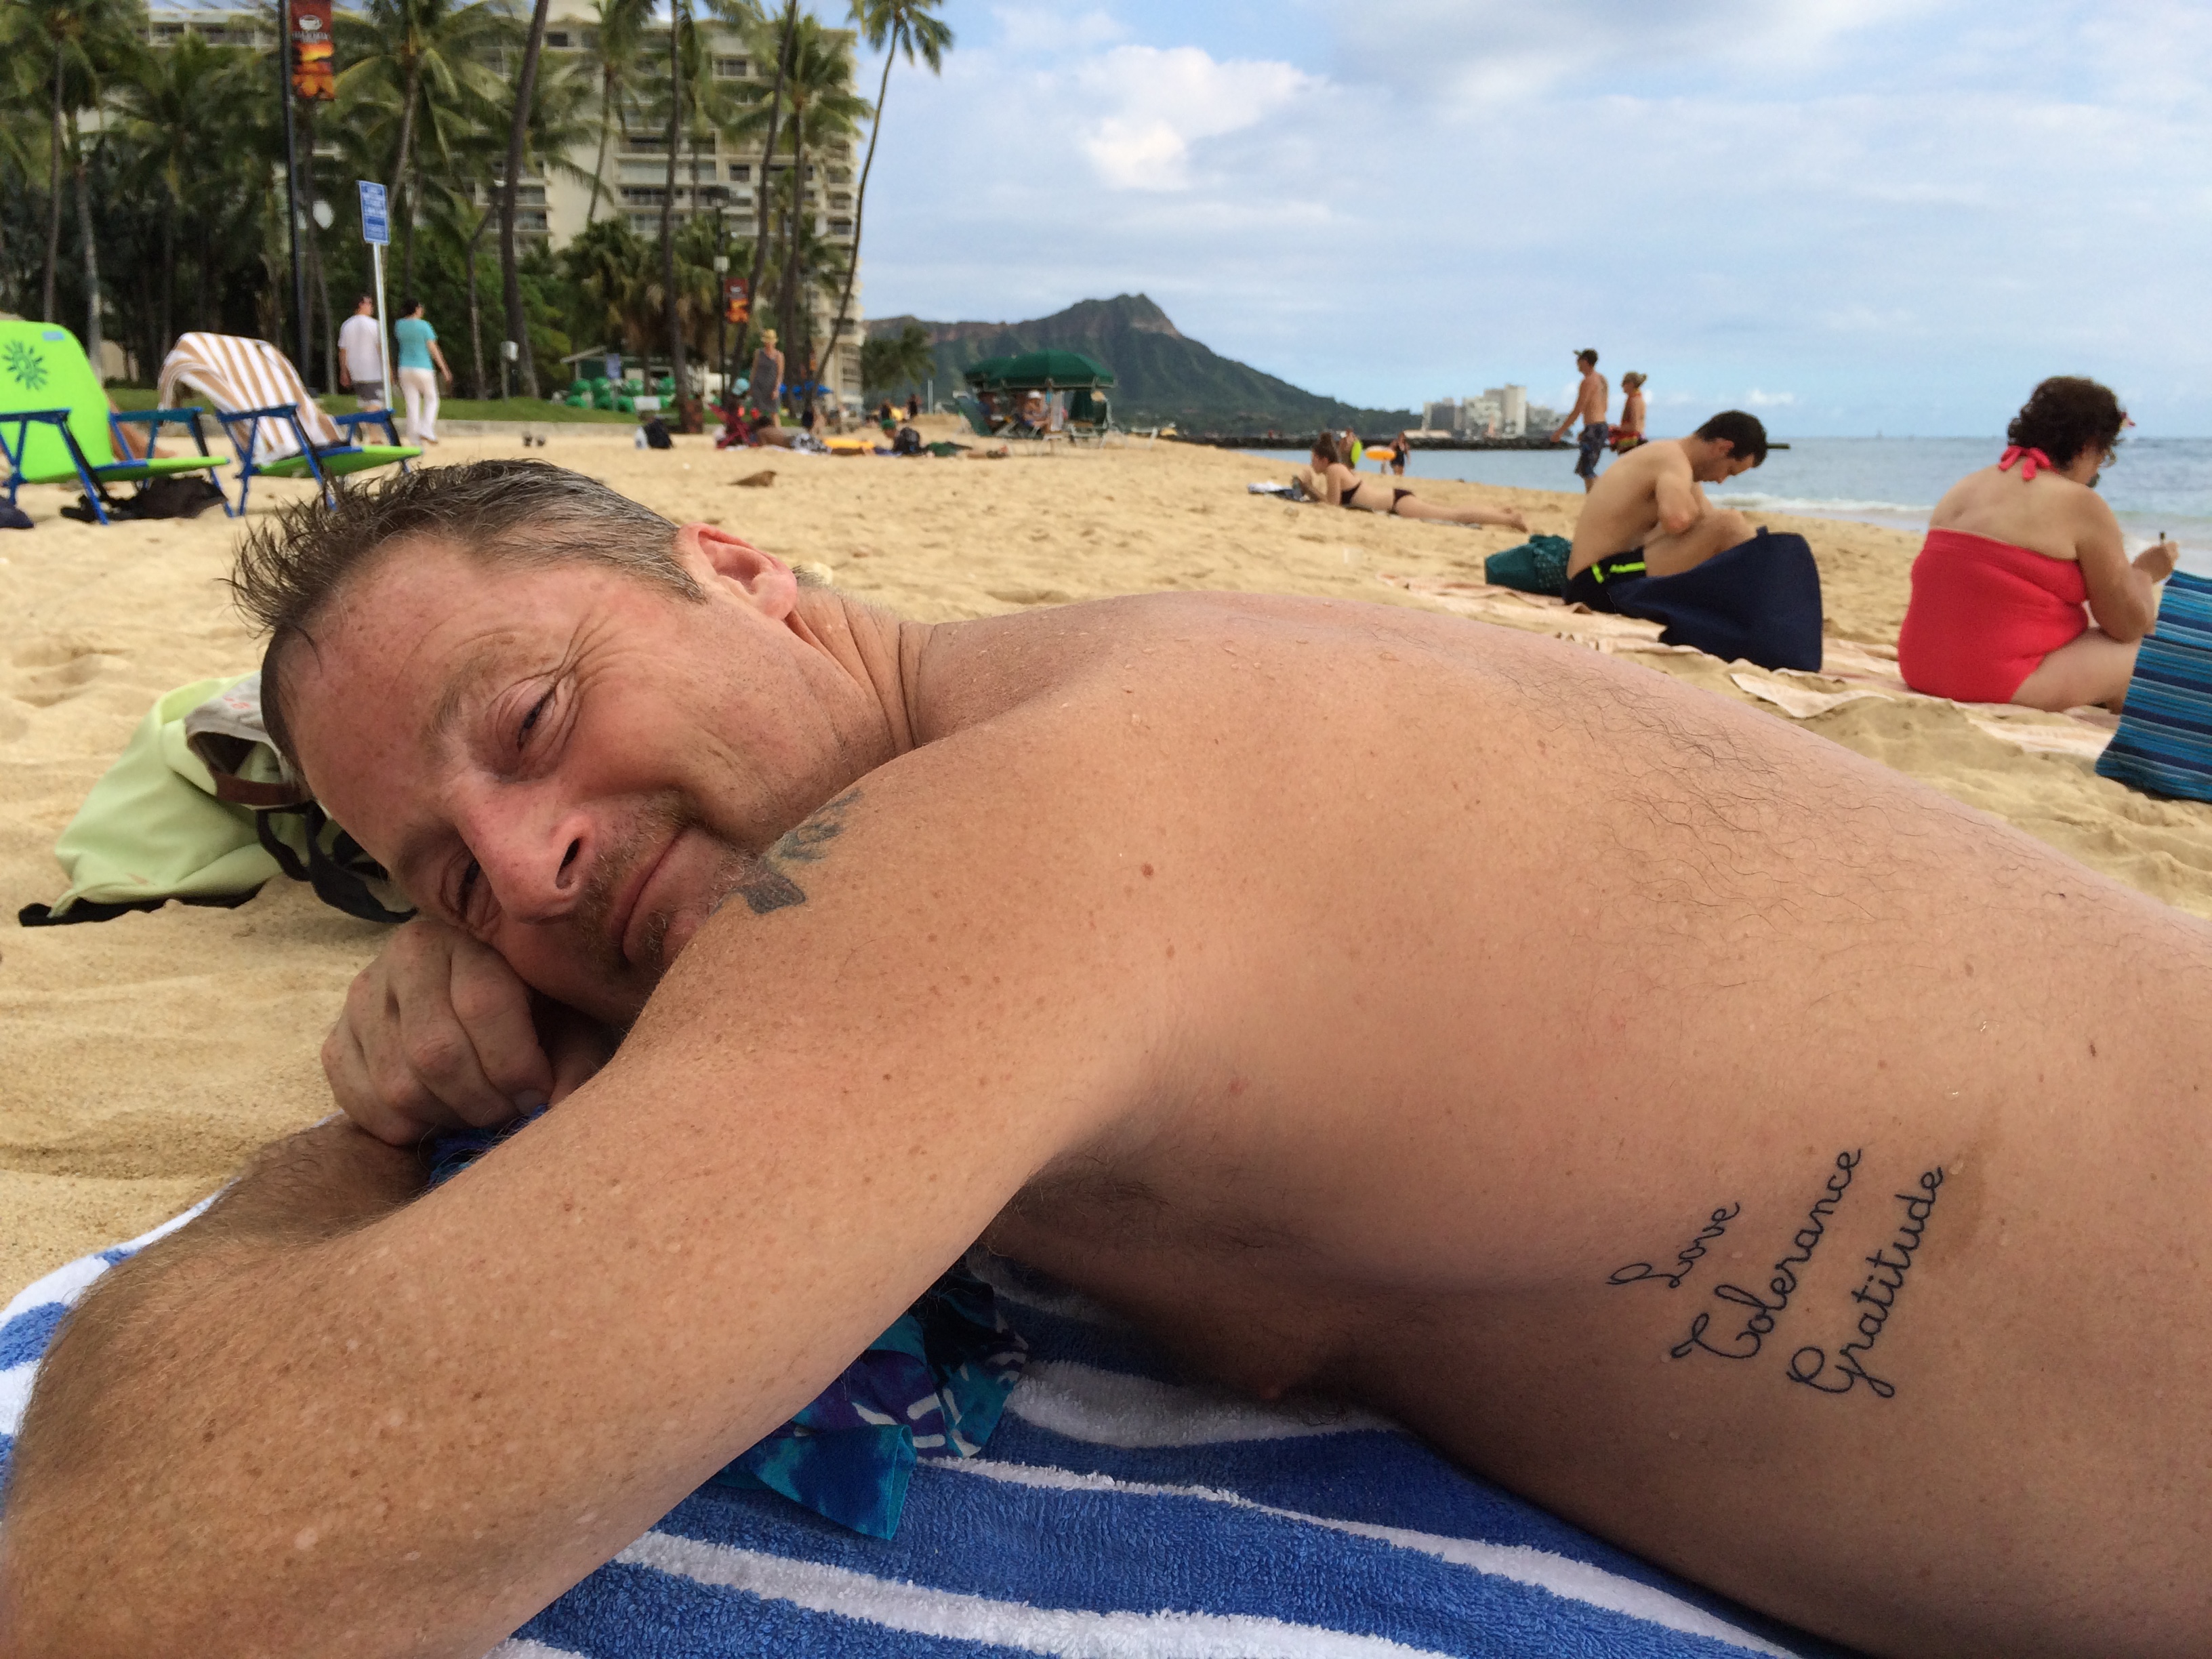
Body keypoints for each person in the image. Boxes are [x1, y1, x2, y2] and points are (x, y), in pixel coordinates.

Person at [10, 461, 2212, 1659]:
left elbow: (170, 1584)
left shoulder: (1022, 827)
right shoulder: (1052, 760)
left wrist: (346, 1146)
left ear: (746, 570)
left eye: (531, 720)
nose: (529, 864)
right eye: (446, 881)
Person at [1898, 376, 2178, 712]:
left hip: (1921, 668)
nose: (2095, 473)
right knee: (2147, 651)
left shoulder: (1967, 487)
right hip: (1991, 681)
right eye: (2102, 457)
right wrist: (2144, 574)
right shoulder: (2080, 504)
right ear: (2088, 446)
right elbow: (2127, 625)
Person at [1563, 411, 1765, 609]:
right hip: (1595, 581)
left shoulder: (1676, 462)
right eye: (1729, 471)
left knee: (1725, 530)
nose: (1721, 480)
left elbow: (1706, 521)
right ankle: (1764, 600)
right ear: (1723, 448)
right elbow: (1677, 520)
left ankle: (1757, 599)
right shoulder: (1672, 460)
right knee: (1729, 524)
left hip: (1604, 576)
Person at [1296, 430, 1528, 529]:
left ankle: (1510, 520)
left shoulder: (1334, 470)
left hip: (1397, 503)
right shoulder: (1337, 469)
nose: (1311, 464)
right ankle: (1502, 513)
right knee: (1451, 513)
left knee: (1454, 516)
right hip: (1395, 500)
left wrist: (1308, 487)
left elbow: (1333, 505)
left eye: (1313, 459)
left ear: (1322, 459)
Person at [391, 298, 451, 447]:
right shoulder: (424, 326)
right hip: (423, 367)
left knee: (412, 404)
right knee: (432, 399)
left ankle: (414, 439)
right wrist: (444, 368)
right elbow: (433, 348)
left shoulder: (399, 325)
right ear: (417, 309)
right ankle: (426, 428)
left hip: (404, 367)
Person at [1550, 348, 1610, 491]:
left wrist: (1560, 432)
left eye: (1579, 360)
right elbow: (1604, 407)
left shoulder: (1588, 381)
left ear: (1585, 362)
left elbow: (1578, 409)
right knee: (1586, 469)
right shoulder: (1602, 379)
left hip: (1594, 428)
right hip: (1600, 426)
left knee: (1587, 470)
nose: (1576, 363)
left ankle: (1601, 495)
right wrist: (1586, 429)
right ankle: (1596, 497)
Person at [337, 295, 385, 413]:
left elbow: (343, 351)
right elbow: (381, 349)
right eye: (369, 303)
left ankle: (368, 425)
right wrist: (388, 368)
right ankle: (361, 421)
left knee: (365, 403)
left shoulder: (346, 325)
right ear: (361, 305)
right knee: (377, 403)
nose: (372, 307)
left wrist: (344, 371)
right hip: (373, 372)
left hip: (356, 372)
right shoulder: (375, 325)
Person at [749, 329, 784, 426]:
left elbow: (780, 374)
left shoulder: (779, 356)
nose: (768, 344)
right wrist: (751, 385)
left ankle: (778, 433)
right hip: (758, 386)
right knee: (756, 412)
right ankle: (756, 431)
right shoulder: (758, 353)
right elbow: (754, 369)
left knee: (774, 413)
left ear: (774, 342)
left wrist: (776, 389)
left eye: (770, 342)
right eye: (766, 341)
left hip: (771, 387)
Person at [1612, 372, 1647, 453]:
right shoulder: (1636, 399)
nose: (1621, 386)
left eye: (1624, 383)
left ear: (1631, 384)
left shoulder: (1634, 401)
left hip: (1634, 442)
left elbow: (1635, 426)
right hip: (1636, 441)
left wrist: (1617, 429)